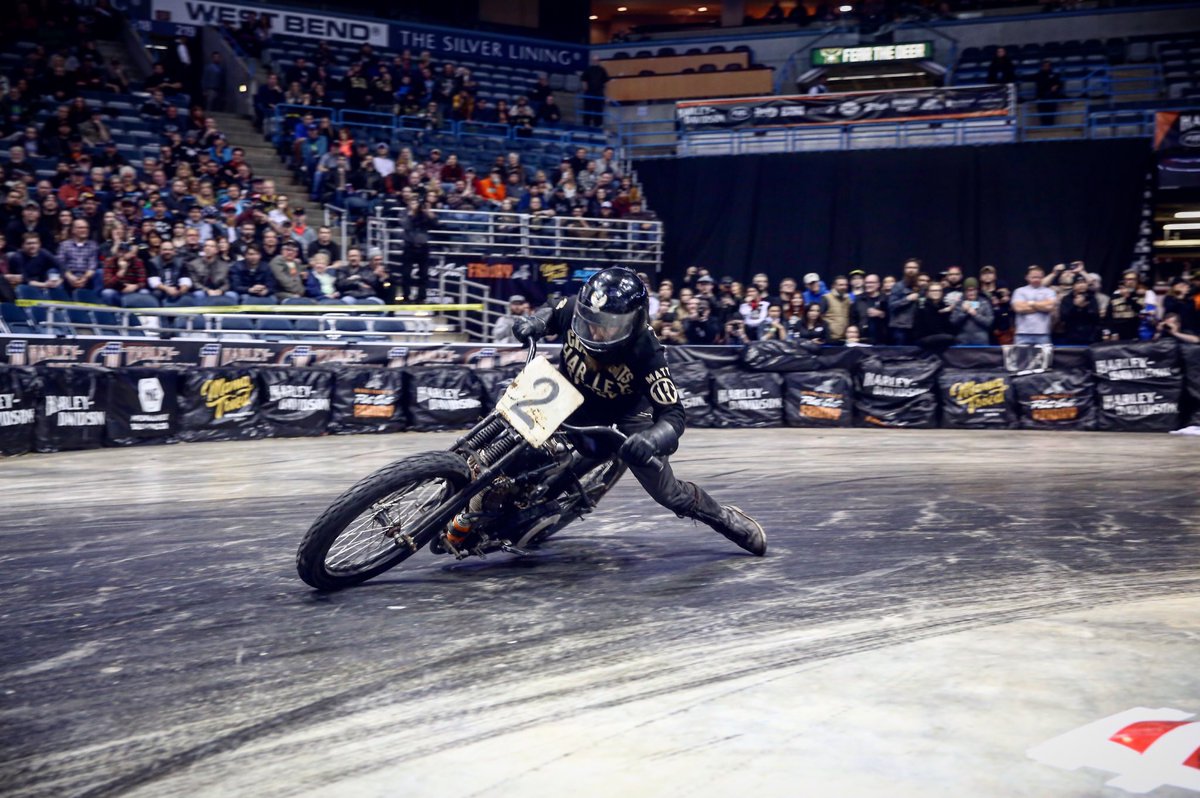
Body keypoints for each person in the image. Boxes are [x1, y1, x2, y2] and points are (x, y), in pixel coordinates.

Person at [511, 267, 766, 556]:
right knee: (513, 421)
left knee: (666, 492)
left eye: (607, 324)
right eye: (590, 320)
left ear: (635, 322)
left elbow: (674, 414)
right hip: (571, 395)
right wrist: (535, 322)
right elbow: (552, 310)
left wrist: (651, 440)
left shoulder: (647, 351)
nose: (595, 330)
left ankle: (725, 519)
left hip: (628, 416)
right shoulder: (575, 308)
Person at [1011, 265, 1057, 345]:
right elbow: (1018, 308)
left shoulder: (1049, 292)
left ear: (1043, 277)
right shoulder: (1019, 291)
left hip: (1043, 333)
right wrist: (1042, 306)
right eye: (1034, 277)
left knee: (1043, 358)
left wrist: (1030, 303)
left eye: (1039, 277)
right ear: (1027, 277)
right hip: (1022, 333)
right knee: (1020, 357)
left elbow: (1050, 307)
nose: (1036, 279)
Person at [1057, 273, 1101, 345]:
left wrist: (1085, 307)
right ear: (1073, 286)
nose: (1081, 285)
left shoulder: (1092, 298)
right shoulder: (1067, 299)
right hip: (1072, 336)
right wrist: (1075, 306)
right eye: (1078, 283)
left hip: (1089, 337)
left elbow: (1097, 318)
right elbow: (1063, 318)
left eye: (1084, 283)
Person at [887, 258, 922, 345]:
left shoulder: (922, 287)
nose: (911, 270)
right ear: (904, 269)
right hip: (901, 328)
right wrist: (908, 299)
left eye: (914, 268)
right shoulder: (897, 286)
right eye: (908, 267)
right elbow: (892, 305)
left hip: (917, 327)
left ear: (918, 270)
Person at [949, 278, 994, 345]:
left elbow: (989, 322)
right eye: (968, 290)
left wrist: (975, 314)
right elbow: (953, 322)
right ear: (964, 291)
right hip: (962, 342)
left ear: (977, 290)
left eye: (973, 290)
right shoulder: (959, 303)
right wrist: (963, 312)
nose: (971, 293)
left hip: (981, 342)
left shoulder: (984, 302)